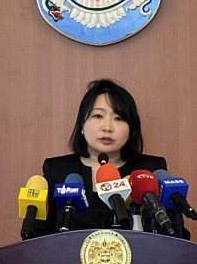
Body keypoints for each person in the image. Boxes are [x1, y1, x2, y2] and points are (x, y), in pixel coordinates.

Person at [35, 78, 167, 235]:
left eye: (118, 118)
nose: (107, 127)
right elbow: (37, 238)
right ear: (82, 124)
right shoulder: (57, 171)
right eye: (98, 116)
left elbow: (175, 237)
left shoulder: (151, 170)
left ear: (131, 129)